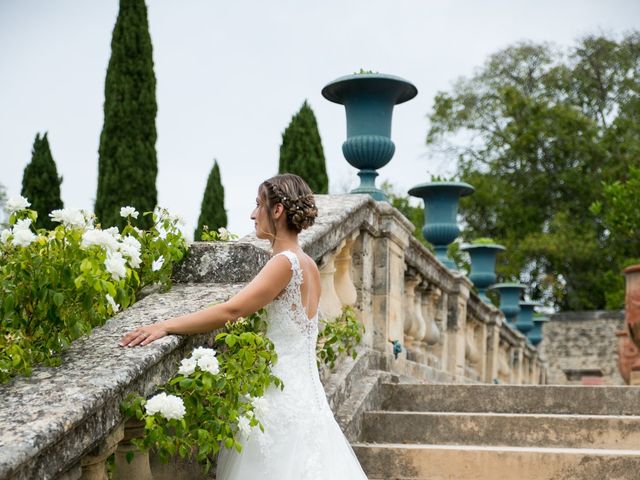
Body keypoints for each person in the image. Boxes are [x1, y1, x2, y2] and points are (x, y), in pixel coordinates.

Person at [119, 173, 368, 479]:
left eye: (258, 204)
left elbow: (232, 309)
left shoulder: (285, 263)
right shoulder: (309, 265)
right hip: (305, 392)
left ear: (277, 210)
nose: (252, 214)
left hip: (281, 398)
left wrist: (166, 325)